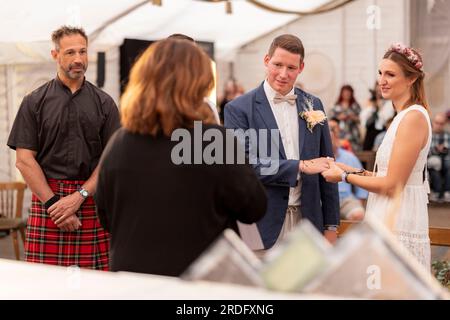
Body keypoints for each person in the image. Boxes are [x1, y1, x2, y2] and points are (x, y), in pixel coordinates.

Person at [95, 38, 267, 276]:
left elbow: (105, 215)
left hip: (133, 282)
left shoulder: (120, 141)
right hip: (197, 282)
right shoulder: (208, 140)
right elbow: (254, 208)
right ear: (198, 84)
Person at [7, 26, 120, 269]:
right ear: (55, 54)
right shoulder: (33, 102)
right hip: (48, 199)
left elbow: (111, 161)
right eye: (70, 53)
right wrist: (54, 205)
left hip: (90, 200)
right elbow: (24, 160)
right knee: (43, 288)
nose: (78, 59)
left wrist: (79, 197)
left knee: (96, 288)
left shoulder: (105, 104)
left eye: (83, 51)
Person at [224, 34, 339, 255]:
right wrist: (301, 166)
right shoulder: (238, 109)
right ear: (267, 61)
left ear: (301, 67)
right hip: (260, 223)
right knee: (260, 289)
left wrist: (331, 226)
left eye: (291, 67)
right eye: (277, 65)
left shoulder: (314, 104)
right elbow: (245, 166)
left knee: (304, 289)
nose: (283, 74)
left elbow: (328, 166)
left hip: (308, 223)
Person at [322, 43, 432, 269]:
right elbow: (385, 174)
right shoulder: (402, 117)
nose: (382, 80)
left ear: (411, 79)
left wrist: (343, 178)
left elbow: (392, 185)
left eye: (390, 74)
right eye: (380, 73)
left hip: (399, 217)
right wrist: (347, 168)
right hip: (387, 212)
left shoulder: (412, 118)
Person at [329, 119, 368, 221]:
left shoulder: (349, 157)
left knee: (358, 214)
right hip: (322, 200)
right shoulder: (315, 158)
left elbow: (362, 187)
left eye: (334, 131)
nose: (332, 135)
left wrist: (359, 203)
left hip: (345, 199)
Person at [329, 85, 362, 151]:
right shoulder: (336, 106)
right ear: (341, 94)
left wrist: (352, 117)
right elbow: (331, 120)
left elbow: (360, 119)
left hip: (352, 132)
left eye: (348, 93)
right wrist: (339, 117)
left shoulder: (355, 105)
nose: (346, 95)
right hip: (340, 132)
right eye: (345, 93)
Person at [428, 113, 450, 202]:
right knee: (434, 166)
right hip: (432, 160)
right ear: (433, 123)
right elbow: (426, 151)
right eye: (437, 123)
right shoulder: (429, 135)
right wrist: (436, 149)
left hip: (446, 159)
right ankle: (437, 192)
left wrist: (444, 149)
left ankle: (447, 192)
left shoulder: (447, 135)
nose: (439, 125)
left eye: (441, 123)